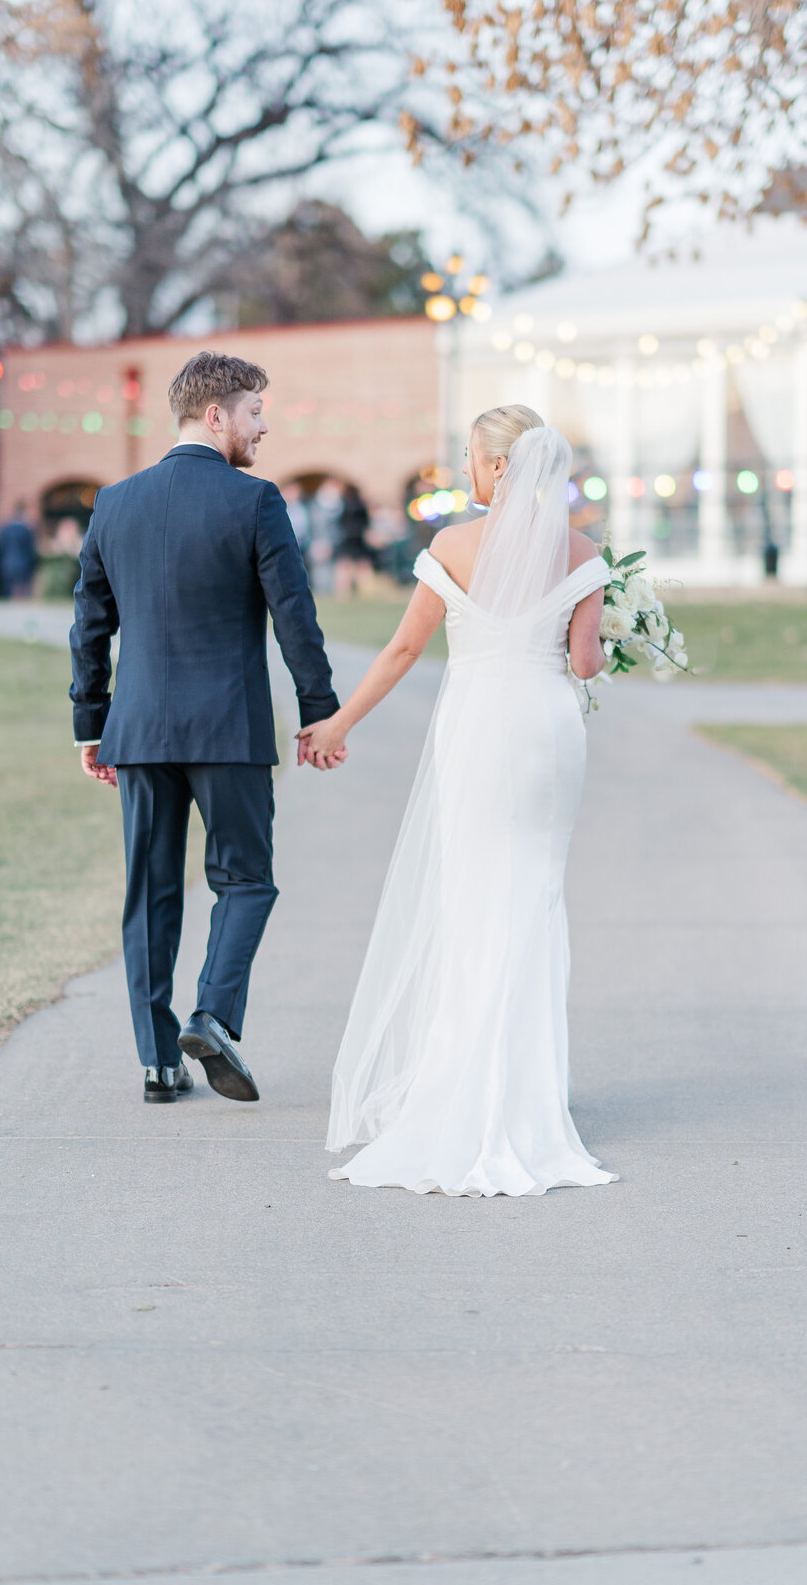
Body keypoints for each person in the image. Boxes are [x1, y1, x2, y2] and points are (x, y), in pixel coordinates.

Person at [301, 405, 617, 1197]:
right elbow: (584, 665)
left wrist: (339, 721)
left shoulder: (449, 546)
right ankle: (528, 1093)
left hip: (477, 729)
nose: (466, 472)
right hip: (545, 731)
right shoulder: (583, 551)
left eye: (472, 459)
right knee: (535, 896)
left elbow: (406, 647)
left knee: (474, 894)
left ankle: (461, 1081)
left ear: (498, 467)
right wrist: (617, 634)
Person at [69, 351, 344, 1106]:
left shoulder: (114, 502)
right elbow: (296, 618)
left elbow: (89, 625)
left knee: (150, 893)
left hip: (140, 732)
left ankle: (160, 1063)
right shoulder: (254, 502)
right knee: (245, 880)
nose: (266, 424)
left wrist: (90, 722)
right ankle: (214, 1016)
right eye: (257, 410)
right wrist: (318, 709)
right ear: (215, 415)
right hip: (230, 731)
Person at [333, 481, 374, 598]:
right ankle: (365, 592)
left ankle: (343, 593)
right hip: (359, 539)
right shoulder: (361, 505)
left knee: (344, 567)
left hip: (346, 539)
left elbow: (338, 523)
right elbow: (367, 523)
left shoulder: (342, 504)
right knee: (362, 566)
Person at [0, 502, 37, 598]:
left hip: (7, 561)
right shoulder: (27, 529)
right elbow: (30, 547)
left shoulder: (6, 528)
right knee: (22, 587)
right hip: (23, 561)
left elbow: (0, 545)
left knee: (8, 588)